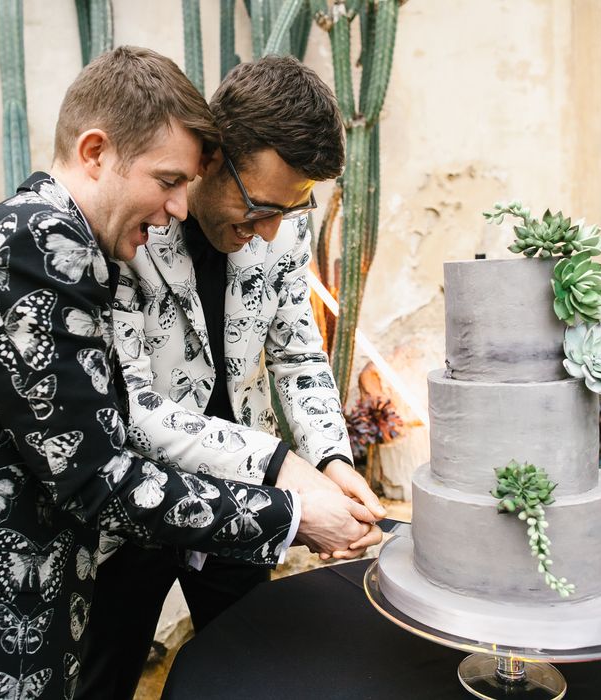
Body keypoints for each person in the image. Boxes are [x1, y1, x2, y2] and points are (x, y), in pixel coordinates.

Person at [0, 47, 367, 700]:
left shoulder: (45, 235)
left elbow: (81, 450)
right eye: (169, 180)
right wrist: (287, 509)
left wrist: (328, 463)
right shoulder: (41, 247)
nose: (173, 208)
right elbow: (99, 475)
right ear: (94, 153)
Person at [81, 55, 385, 699]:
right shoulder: (131, 226)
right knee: (105, 674)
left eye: (292, 212)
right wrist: (283, 466)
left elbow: (299, 353)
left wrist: (331, 459)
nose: (271, 231)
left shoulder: (280, 232)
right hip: (144, 501)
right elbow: (129, 406)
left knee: (255, 667)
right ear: (212, 159)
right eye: (260, 206)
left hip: (247, 504)